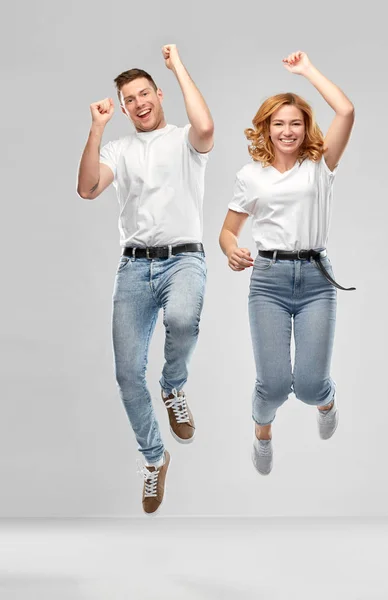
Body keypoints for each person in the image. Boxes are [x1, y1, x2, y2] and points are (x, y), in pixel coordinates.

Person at [77, 44, 214, 513]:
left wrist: (177, 66)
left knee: (182, 319)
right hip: (134, 267)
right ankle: (154, 458)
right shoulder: (118, 147)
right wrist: (96, 130)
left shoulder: (183, 140)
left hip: (183, 260)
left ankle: (173, 385)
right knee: (126, 375)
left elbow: (207, 127)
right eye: (128, 99)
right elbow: (88, 188)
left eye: (143, 93)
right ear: (123, 107)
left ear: (158, 94)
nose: (138, 103)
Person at [219, 50, 355, 475]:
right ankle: (263, 430)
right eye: (279, 123)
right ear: (266, 128)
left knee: (311, 386)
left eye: (295, 122)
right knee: (275, 386)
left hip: (316, 278)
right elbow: (227, 230)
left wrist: (307, 70)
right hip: (269, 282)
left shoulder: (320, 165)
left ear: (305, 127)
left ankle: (327, 401)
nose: (288, 131)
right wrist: (230, 250)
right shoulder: (251, 175)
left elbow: (346, 110)